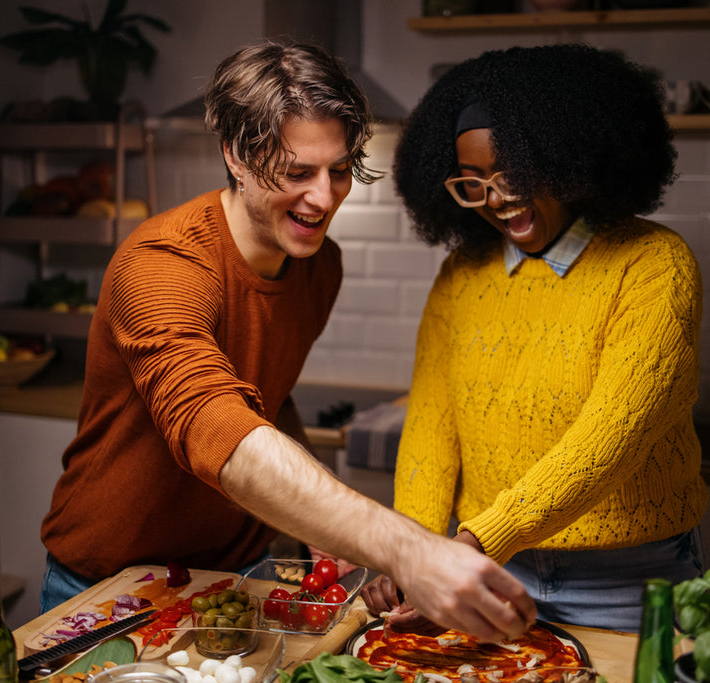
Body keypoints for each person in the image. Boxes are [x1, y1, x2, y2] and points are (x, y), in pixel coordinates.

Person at [38, 39, 535, 643]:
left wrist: (323, 533)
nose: (324, 199)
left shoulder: (320, 267)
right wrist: (410, 549)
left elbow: (266, 400)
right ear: (236, 157)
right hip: (112, 586)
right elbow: (215, 423)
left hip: (236, 579)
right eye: (297, 172)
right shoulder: (161, 264)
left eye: (338, 171)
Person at [361, 44, 708, 634]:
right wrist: (410, 548)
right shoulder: (461, 276)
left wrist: (472, 542)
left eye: (516, 174)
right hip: (495, 574)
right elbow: (431, 427)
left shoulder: (654, 265)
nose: (498, 199)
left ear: (566, 157)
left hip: (627, 581)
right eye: (474, 184)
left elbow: (610, 438)